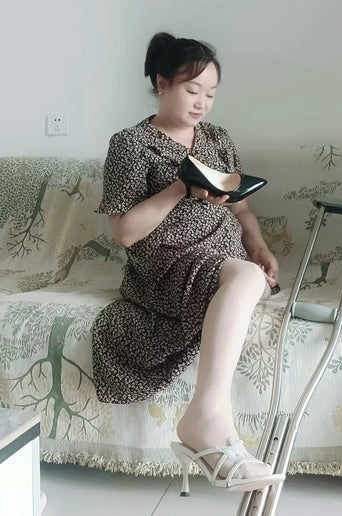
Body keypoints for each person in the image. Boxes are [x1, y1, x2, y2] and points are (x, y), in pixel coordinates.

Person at [92, 32, 280, 492]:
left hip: (224, 251)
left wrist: (258, 245)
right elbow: (125, 232)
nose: (202, 103)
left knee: (249, 274)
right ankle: (208, 423)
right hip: (168, 260)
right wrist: (183, 187)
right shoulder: (131, 144)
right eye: (193, 90)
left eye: (210, 94)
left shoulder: (217, 138)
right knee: (245, 279)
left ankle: (208, 422)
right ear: (162, 83)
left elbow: (240, 208)